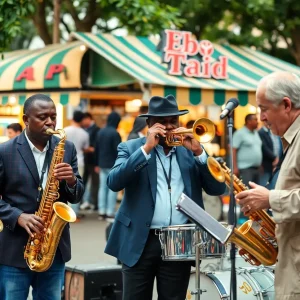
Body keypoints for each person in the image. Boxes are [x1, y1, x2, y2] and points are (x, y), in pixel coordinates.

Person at [105, 95, 226, 300]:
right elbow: (114, 182)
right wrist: (146, 149)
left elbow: (217, 188)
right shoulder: (131, 148)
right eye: (163, 122)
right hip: (140, 240)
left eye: (173, 121)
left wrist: (199, 154)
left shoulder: (190, 151)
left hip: (178, 241)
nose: (169, 127)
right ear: (150, 124)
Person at [0, 94, 84, 300]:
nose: (50, 122)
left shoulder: (67, 148)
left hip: (53, 251)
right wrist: (17, 216)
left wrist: (72, 180)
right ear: (26, 120)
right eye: (42, 117)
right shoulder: (5, 151)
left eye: (53, 116)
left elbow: (77, 195)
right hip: (14, 249)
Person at [235, 72, 300, 300]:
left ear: (286, 105)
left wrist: (270, 199)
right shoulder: (290, 138)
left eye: (264, 109)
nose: (261, 117)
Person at [95, 111, 121, 221]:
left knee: (102, 187)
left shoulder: (100, 131)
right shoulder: (115, 133)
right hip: (113, 164)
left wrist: (96, 163)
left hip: (101, 163)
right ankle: (110, 212)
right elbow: (118, 150)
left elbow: (96, 149)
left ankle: (101, 211)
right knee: (112, 188)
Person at [64, 111, 90, 220]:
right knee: (76, 186)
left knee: (63, 186)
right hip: (79, 161)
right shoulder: (84, 133)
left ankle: (65, 211)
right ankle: (74, 213)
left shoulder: (65, 130)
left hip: (64, 160)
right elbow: (86, 148)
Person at [232, 113, 262, 186]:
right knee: (246, 192)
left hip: (256, 169)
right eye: (255, 120)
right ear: (249, 121)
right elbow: (233, 150)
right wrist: (235, 168)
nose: (257, 122)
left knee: (255, 194)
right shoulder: (240, 133)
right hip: (245, 169)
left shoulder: (256, 133)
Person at [80, 112, 100, 211]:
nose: (82, 122)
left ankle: (94, 203)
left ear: (88, 118)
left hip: (93, 160)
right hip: (85, 160)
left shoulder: (96, 130)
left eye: (83, 120)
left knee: (94, 183)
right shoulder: (84, 129)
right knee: (83, 181)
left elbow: (96, 147)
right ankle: (84, 201)